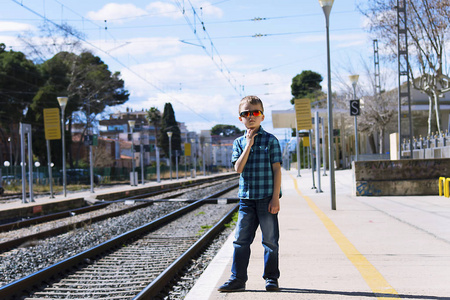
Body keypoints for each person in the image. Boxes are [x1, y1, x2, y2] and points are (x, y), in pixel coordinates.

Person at [218, 95, 282, 292]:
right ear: (241, 119)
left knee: (270, 241)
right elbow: (238, 169)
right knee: (241, 240)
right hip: (246, 200)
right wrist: (248, 144)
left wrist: (275, 198)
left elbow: (277, 170)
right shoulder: (238, 143)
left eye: (255, 112)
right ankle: (237, 279)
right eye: (246, 113)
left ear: (262, 116)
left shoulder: (271, 140)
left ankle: (271, 279)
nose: (251, 116)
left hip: (266, 199)